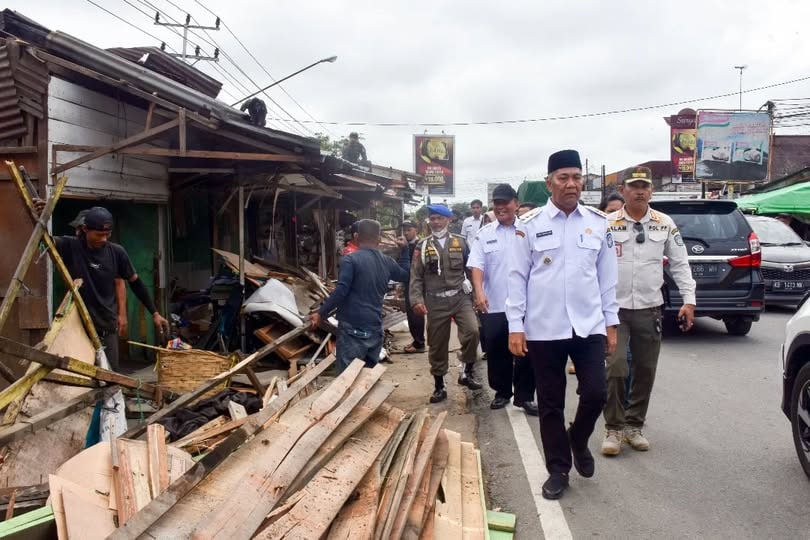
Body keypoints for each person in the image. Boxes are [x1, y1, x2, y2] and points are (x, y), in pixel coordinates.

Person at [506, 149, 618, 500]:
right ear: (549, 183)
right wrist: (515, 325)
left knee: (597, 393)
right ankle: (558, 470)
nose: (571, 184)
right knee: (550, 402)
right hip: (544, 327)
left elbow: (607, 278)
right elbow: (516, 277)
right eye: (563, 178)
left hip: (588, 324)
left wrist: (611, 323)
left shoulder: (598, 222)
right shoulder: (529, 224)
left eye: (576, 177)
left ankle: (578, 438)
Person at [601, 166, 696, 455]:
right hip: (614, 310)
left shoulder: (664, 223)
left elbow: (679, 263)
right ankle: (614, 428)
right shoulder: (607, 223)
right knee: (616, 367)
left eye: (645, 186)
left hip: (649, 308)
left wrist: (689, 300)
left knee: (645, 369)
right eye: (634, 186)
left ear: (651, 191)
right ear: (623, 190)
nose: (640, 191)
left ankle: (634, 425)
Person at [42, 206, 170, 372]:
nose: (103, 239)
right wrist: (40, 217)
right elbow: (43, 240)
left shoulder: (117, 252)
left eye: (107, 234)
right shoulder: (70, 246)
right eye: (98, 235)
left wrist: (155, 313)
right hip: (77, 326)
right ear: (85, 229)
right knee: (78, 375)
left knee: (109, 375)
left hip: (106, 326)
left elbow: (135, 283)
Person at [468, 184, 538, 416]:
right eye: (497, 203)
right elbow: (477, 265)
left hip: (526, 304)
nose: (501, 207)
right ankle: (502, 392)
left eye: (505, 202)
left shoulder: (529, 230)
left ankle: (525, 397)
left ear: (516, 204)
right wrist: (479, 292)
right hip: (495, 303)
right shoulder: (485, 234)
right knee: (497, 350)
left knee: (526, 352)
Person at [310, 219, 410, 373]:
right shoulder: (387, 262)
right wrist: (405, 250)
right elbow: (405, 275)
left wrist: (320, 313)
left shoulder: (350, 260)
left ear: (356, 237)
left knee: (347, 378)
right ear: (379, 239)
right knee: (367, 378)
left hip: (352, 329)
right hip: (375, 328)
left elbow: (341, 291)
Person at [410, 204, 482, 403]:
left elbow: (471, 270)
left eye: (440, 218)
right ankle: (439, 385)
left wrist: (477, 294)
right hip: (435, 300)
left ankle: (466, 371)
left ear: (449, 220)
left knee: (473, 331)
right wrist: (416, 300)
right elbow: (416, 276)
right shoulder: (422, 246)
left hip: (460, 297)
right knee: (437, 343)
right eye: (432, 218)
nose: (435, 222)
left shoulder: (461, 242)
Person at [400, 221, 426, 353]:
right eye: (404, 230)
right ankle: (416, 340)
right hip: (408, 282)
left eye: (409, 230)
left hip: (417, 284)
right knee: (411, 314)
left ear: (416, 230)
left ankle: (419, 343)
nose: (406, 233)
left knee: (416, 312)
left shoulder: (420, 244)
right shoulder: (404, 245)